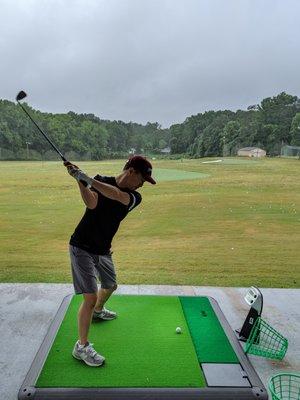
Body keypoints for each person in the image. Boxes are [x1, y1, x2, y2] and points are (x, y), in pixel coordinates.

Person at [64, 155, 156, 367]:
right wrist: (80, 181)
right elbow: (92, 203)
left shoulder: (134, 197)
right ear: (131, 171)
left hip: (103, 249)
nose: (143, 184)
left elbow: (115, 195)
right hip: (81, 246)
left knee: (111, 285)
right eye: (142, 179)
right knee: (89, 297)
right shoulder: (99, 179)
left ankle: (98, 311)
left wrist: (85, 178)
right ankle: (82, 347)